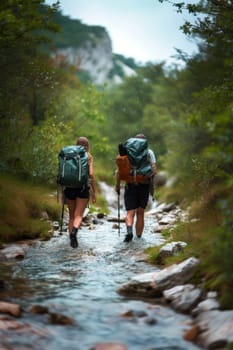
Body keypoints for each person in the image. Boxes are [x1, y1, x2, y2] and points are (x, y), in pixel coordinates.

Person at [115, 133, 157, 242]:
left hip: (130, 184)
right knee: (140, 212)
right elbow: (154, 170)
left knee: (130, 212)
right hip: (144, 184)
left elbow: (120, 171)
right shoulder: (149, 152)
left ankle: (129, 231)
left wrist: (118, 186)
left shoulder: (128, 151)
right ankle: (138, 238)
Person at [64, 136, 96, 248]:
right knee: (79, 215)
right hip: (82, 188)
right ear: (87, 146)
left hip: (69, 188)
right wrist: (94, 192)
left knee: (72, 216)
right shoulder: (88, 156)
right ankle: (74, 233)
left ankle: (71, 242)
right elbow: (91, 174)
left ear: (76, 144)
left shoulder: (69, 155)